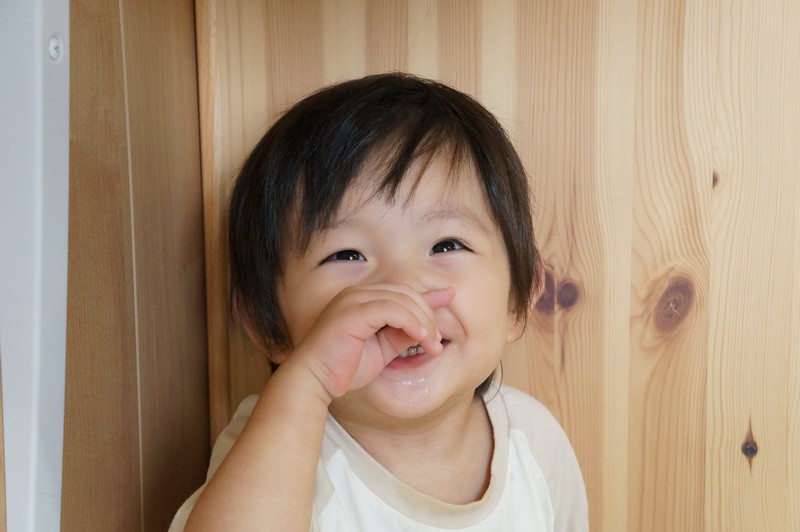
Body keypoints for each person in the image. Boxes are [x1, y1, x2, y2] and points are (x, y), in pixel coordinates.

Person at [171, 72, 588, 531]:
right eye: (346, 255)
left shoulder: (533, 444)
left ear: (518, 298)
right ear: (266, 324)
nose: (402, 289)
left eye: (446, 245)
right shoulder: (274, 449)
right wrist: (310, 380)